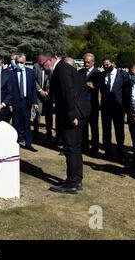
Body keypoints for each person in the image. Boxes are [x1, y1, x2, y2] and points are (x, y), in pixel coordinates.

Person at [42, 52, 90, 194]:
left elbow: (68, 94)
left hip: (74, 114)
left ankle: (73, 182)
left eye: (42, 64)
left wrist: (72, 116)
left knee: (71, 148)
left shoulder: (62, 69)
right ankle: (75, 179)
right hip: (78, 111)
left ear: (50, 60)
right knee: (73, 148)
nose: (42, 68)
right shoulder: (64, 68)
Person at [96, 56, 129, 161]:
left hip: (118, 107)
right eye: (104, 65)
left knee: (119, 130)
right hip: (105, 108)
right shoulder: (101, 75)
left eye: (107, 65)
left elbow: (127, 91)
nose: (105, 67)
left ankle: (120, 152)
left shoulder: (123, 75)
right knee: (106, 130)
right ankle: (107, 151)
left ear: (113, 63)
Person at [9, 54, 39, 153]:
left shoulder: (30, 72)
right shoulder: (12, 73)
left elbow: (34, 89)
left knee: (27, 123)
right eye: (17, 62)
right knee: (16, 123)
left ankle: (28, 143)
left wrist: (34, 102)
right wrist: (10, 103)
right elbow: (9, 90)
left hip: (27, 102)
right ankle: (15, 143)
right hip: (16, 102)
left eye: (21, 62)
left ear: (25, 62)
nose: (19, 64)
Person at [78, 53, 100, 156]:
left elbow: (97, 87)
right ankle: (84, 146)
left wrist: (92, 85)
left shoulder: (98, 73)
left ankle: (95, 148)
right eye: (84, 62)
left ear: (93, 62)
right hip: (82, 104)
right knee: (83, 127)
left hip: (93, 104)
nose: (86, 64)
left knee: (94, 127)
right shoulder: (80, 72)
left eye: (88, 62)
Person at [33, 53, 53, 143]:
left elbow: (52, 80)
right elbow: (33, 80)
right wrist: (40, 90)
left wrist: (48, 91)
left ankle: (49, 133)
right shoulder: (35, 66)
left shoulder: (51, 67)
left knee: (49, 115)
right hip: (38, 95)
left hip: (48, 95)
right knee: (36, 114)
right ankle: (35, 133)